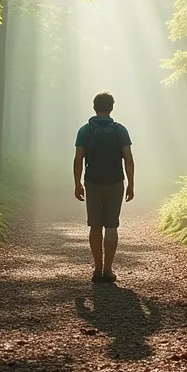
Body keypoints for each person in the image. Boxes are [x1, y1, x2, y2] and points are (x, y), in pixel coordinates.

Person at [74, 91, 134, 283]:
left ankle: (97, 269)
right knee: (111, 225)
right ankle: (108, 270)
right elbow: (128, 159)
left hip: (92, 182)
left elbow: (78, 159)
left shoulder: (85, 130)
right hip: (115, 182)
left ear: (94, 107)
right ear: (111, 107)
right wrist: (131, 184)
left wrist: (77, 183)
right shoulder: (120, 130)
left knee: (95, 225)